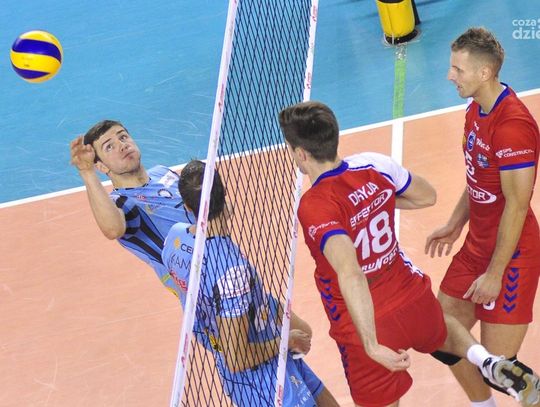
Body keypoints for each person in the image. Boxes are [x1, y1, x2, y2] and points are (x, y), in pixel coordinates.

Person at [278, 100, 540, 407]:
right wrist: (377, 201)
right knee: (442, 331)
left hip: (365, 322)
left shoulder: (314, 205)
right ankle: (485, 359)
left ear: (300, 153)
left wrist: (371, 344)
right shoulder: (372, 165)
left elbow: (350, 272)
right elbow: (426, 196)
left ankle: (482, 372)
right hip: (413, 299)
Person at [162, 159, 339, 407]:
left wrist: (278, 314)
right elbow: (237, 359)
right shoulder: (231, 271)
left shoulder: (175, 238)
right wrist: (286, 341)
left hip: (274, 354)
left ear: (188, 207)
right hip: (261, 381)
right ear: (224, 193)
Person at [425, 27, 540, 407]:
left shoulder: (513, 127)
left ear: (484, 73)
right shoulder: (476, 108)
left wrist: (495, 273)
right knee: (440, 335)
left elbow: (517, 205)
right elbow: (477, 175)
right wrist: (455, 223)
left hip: (512, 254)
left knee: (502, 369)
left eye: (457, 69)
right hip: (477, 245)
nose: (449, 76)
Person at [69, 120, 193, 297]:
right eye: (109, 147)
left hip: (225, 257)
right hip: (201, 292)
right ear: (101, 166)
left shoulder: (163, 172)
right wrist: (87, 172)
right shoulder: (123, 202)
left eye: (123, 137)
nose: (122, 145)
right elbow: (112, 229)